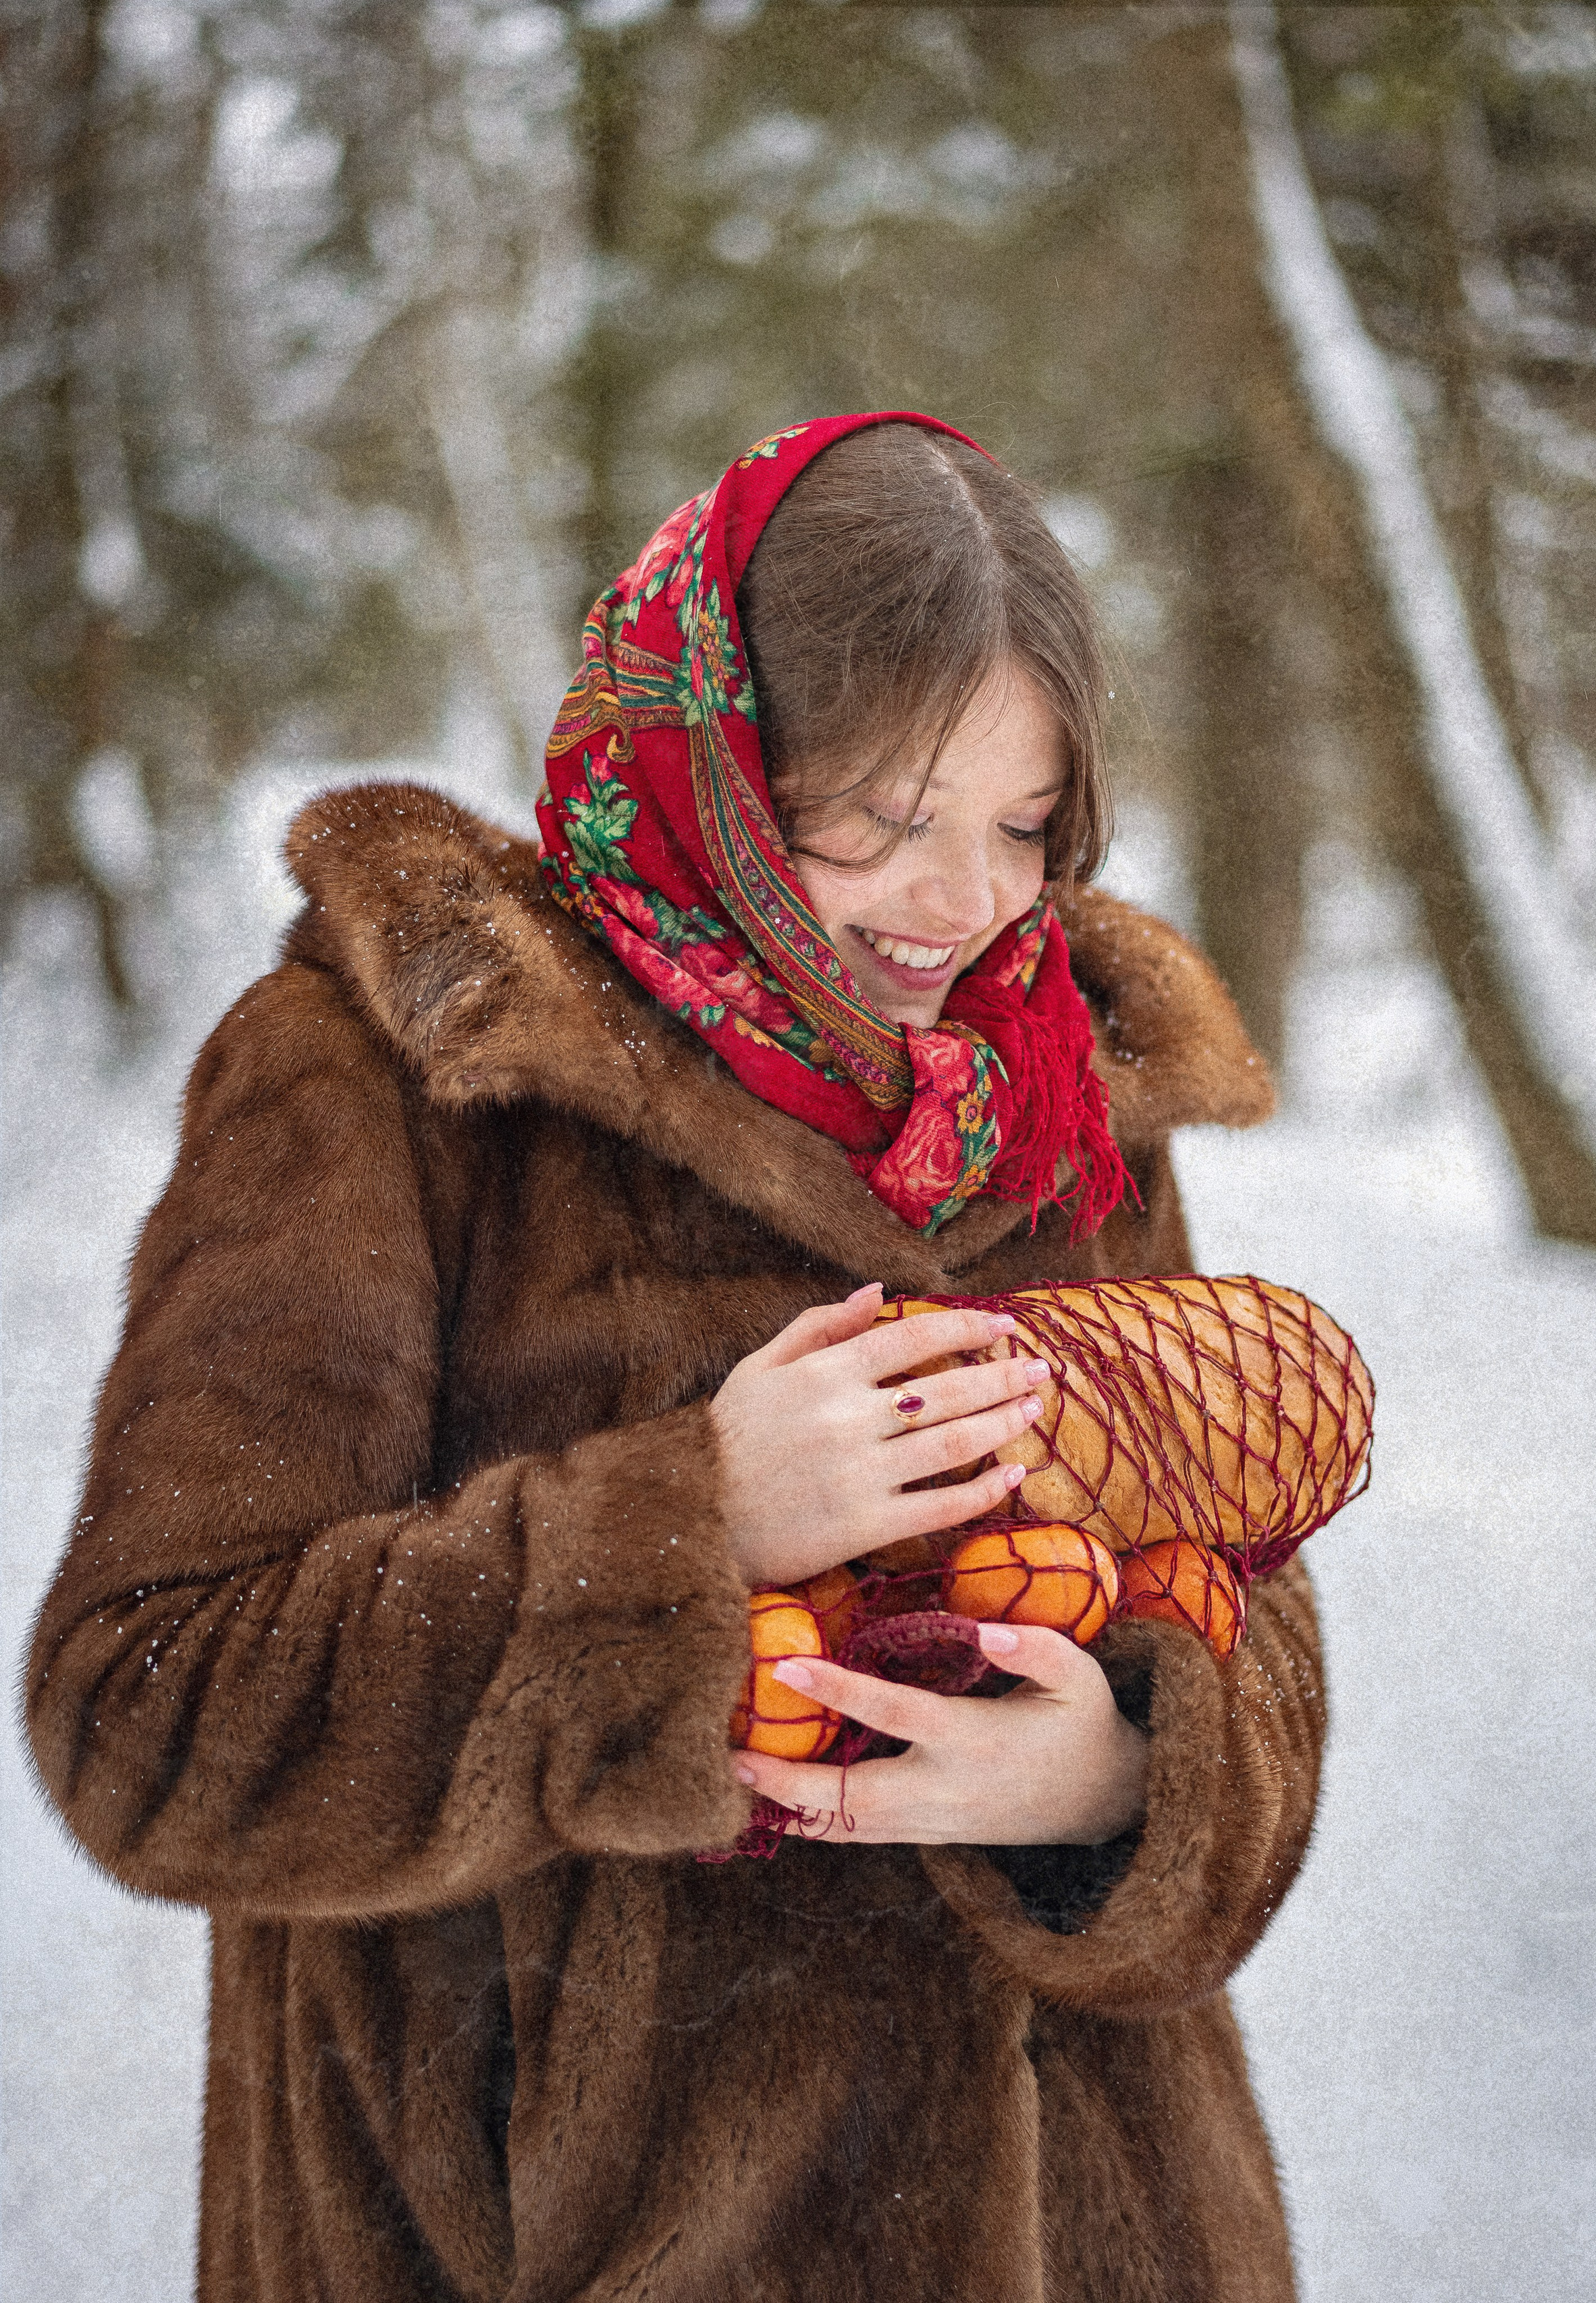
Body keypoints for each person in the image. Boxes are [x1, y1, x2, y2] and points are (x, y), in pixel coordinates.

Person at [27, 411, 1321, 2303]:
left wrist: (1120, 1778)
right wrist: (686, 1523)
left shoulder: (1056, 1092)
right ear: (714, 754)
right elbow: (151, 1712)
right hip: (512, 2241)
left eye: (1024, 825)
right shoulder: (394, 1072)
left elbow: (1253, 1612)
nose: (964, 902)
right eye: (882, 816)